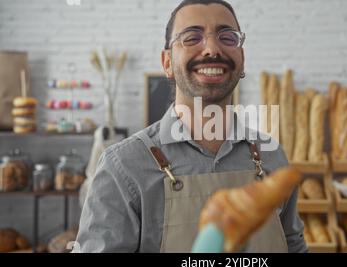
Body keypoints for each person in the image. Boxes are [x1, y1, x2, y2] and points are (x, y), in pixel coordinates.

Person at [75, 0, 308, 253]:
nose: (211, 48)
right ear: (167, 63)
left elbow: (293, 245)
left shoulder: (271, 155)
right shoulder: (124, 166)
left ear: (241, 58)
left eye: (227, 37)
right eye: (191, 37)